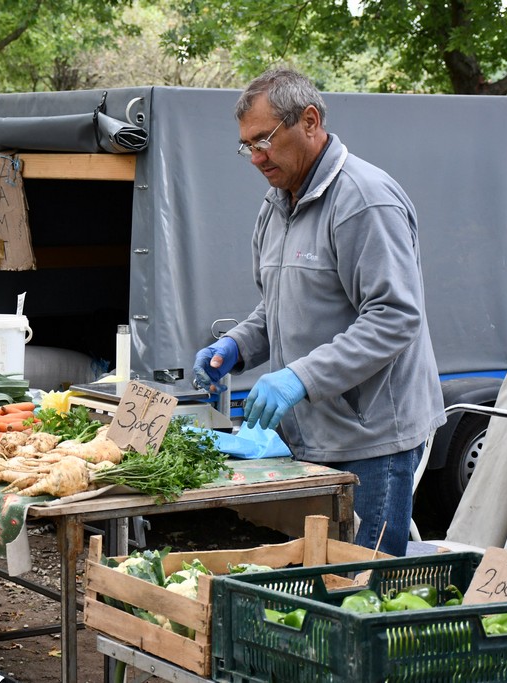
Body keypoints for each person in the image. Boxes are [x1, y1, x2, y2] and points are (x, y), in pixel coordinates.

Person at [192, 68, 445, 556]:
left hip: (371, 440)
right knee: (315, 583)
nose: (255, 158)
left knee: (361, 587)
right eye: (245, 145)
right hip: (309, 437)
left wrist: (298, 378)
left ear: (309, 121)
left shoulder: (364, 200)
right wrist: (237, 345)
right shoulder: (277, 203)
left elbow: (394, 316)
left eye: (262, 141)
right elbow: (280, 303)